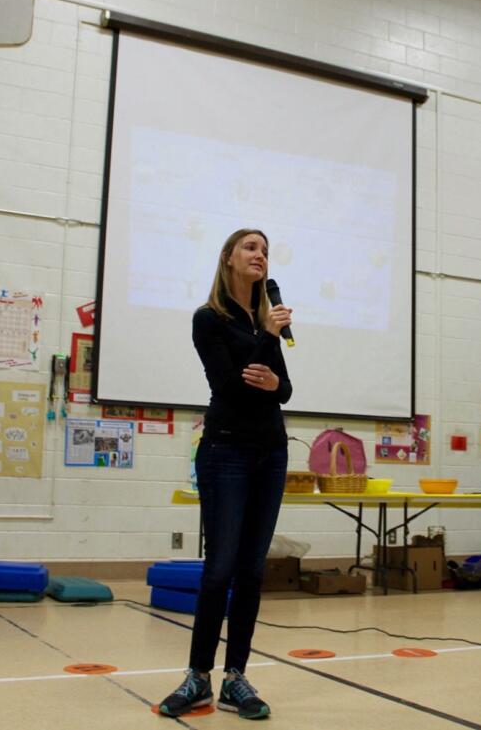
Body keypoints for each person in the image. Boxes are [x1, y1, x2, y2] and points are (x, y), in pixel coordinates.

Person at [158, 229, 294, 719]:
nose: (260, 256)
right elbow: (231, 390)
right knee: (220, 568)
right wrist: (267, 343)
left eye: (266, 250)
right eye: (251, 248)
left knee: (253, 570)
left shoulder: (265, 322)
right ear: (229, 259)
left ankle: (236, 676)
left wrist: (274, 372)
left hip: (271, 452)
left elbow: (283, 390)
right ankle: (198, 676)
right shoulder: (209, 320)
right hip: (226, 451)